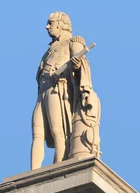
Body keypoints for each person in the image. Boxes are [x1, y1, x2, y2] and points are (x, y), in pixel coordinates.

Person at [31, 12, 100, 170]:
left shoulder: (74, 41)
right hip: (42, 93)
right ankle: (34, 172)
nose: (47, 26)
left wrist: (76, 65)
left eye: (51, 23)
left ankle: (57, 168)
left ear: (61, 24)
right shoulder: (47, 52)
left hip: (58, 90)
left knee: (59, 133)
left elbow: (81, 63)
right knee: (37, 133)